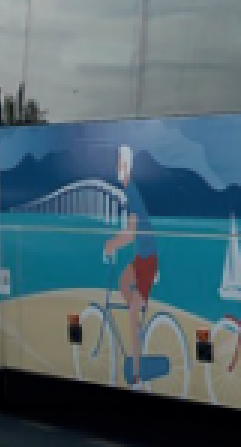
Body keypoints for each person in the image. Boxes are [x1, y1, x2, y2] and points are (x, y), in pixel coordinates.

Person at [100, 144, 157, 387]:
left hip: (147, 261)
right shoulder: (130, 192)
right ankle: (138, 320)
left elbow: (131, 234)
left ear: (124, 167)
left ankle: (136, 377)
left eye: (119, 166)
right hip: (141, 258)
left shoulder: (132, 193)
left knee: (133, 313)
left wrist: (111, 244)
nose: (116, 170)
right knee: (124, 281)